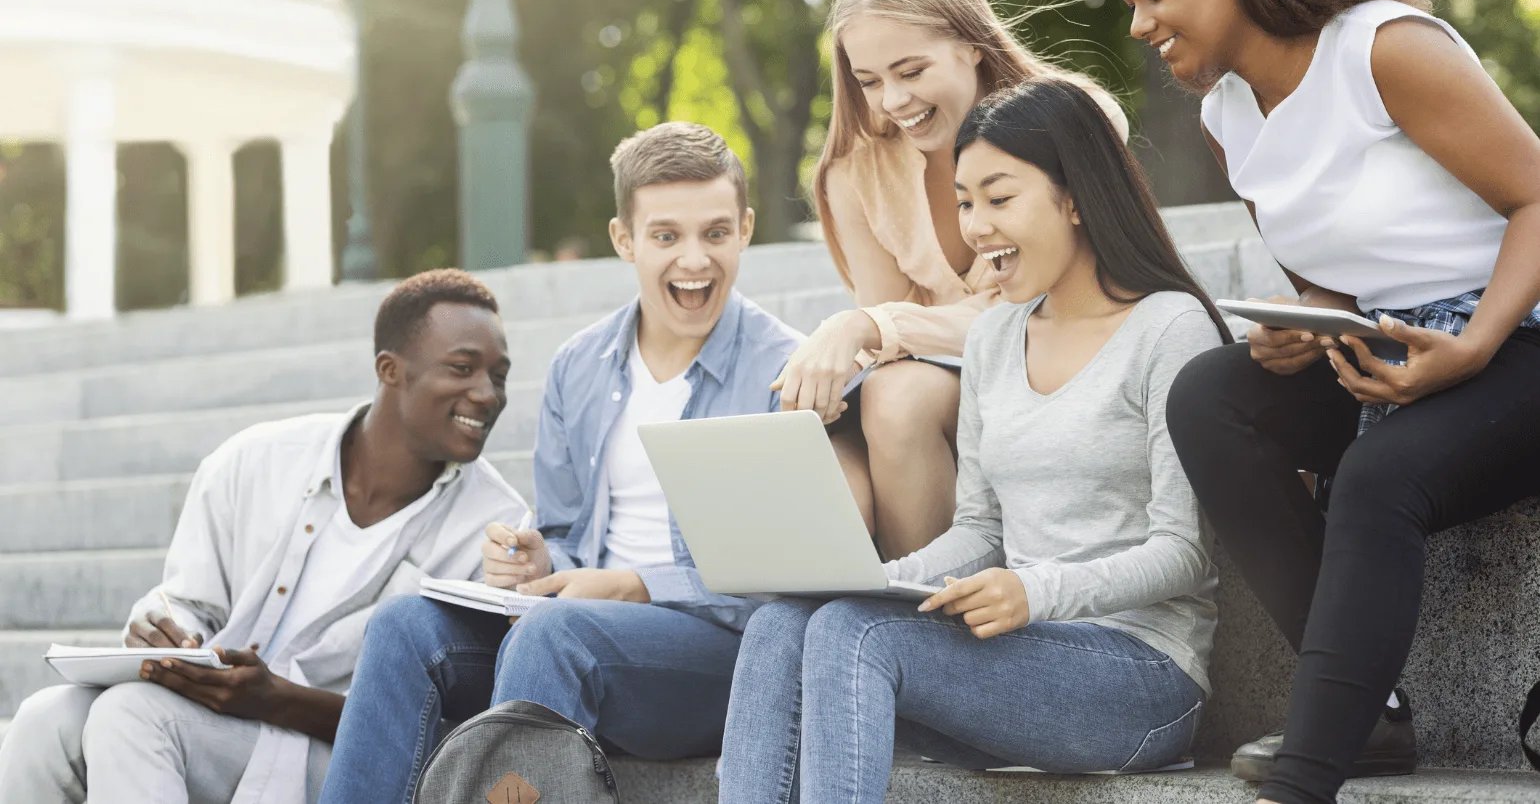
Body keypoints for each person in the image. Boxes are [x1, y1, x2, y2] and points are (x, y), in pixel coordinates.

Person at [1102, 0, 1540, 802]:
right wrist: (1303, 323)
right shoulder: (1229, 114)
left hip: (1517, 338)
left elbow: (1537, 200)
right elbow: (1330, 278)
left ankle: (1306, 779)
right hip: (1392, 350)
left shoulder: (1383, 50)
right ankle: (1370, 707)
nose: (1140, 25)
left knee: (1380, 478)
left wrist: (1473, 346)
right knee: (1208, 395)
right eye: (1130, 2)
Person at [718, 78, 1231, 803]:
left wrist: (1034, 591)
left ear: (1076, 196)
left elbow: (1183, 552)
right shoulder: (993, 337)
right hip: (1020, 659)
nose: (977, 226)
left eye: (999, 197)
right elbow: (981, 529)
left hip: (1141, 675)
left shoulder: (1168, 328)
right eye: (965, 202)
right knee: (782, 624)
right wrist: (885, 581)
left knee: (854, 637)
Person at [317, 123, 802, 804]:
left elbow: (790, 574)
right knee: (404, 627)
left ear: (745, 229)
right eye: (666, 236)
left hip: (723, 658)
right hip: (580, 636)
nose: (694, 261)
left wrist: (636, 584)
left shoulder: (786, 369)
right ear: (624, 239)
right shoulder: (581, 364)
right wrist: (542, 567)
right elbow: (569, 535)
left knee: (554, 635)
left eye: (716, 233)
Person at [0, 270, 528, 804]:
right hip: (219, 719)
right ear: (391, 370)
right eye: (463, 368)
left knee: (132, 714)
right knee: (43, 719)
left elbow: (456, 727)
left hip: (351, 755)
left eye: (499, 376)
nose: (487, 395)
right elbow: (188, 601)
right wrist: (166, 633)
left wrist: (277, 700)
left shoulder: (499, 528)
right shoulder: (254, 461)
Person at [772, 0, 1132, 560]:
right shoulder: (855, 174)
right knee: (837, 431)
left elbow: (1040, 312)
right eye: (870, 81)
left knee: (898, 398)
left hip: (1062, 366)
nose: (893, 102)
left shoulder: (1073, 120)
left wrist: (865, 326)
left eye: (911, 72)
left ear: (970, 41)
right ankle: (889, 611)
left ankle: (923, 621)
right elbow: (889, 344)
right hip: (944, 390)